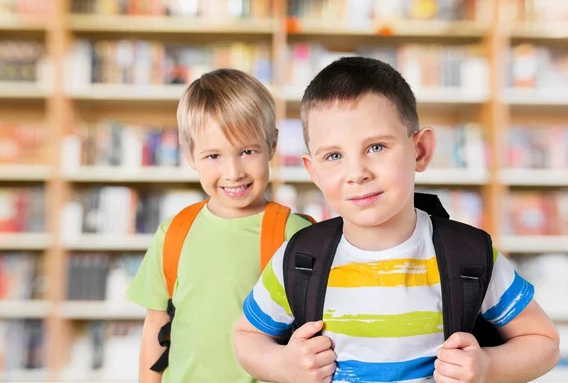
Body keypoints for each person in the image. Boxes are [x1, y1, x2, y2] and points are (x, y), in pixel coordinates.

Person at [233, 57, 560, 383]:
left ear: (420, 151)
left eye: (376, 147)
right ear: (313, 170)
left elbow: (543, 343)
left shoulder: (469, 255)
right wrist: (282, 364)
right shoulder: (298, 258)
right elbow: (247, 337)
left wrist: (488, 366)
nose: (357, 173)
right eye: (334, 156)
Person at [126, 69, 313, 383]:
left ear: (273, 144)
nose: (233, 172)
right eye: (213, 155)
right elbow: (156, 327)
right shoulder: (173, 234)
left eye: (247, 152)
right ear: (189, 155)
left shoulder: (294, 234)